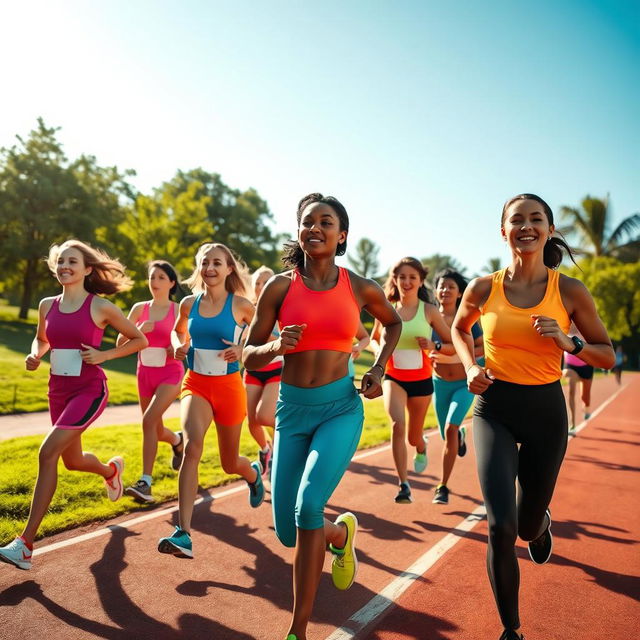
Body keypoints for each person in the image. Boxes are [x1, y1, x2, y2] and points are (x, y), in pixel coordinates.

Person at [451, 194, 615, 640]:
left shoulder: (570, 291)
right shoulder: (483, 287)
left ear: (550, 230)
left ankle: (539, 524)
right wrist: (469, 366)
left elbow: (607, 355)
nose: (526, 226)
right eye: (517, 220)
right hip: (494, 410)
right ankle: (512, 630)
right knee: (500, 526)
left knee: (523, 525)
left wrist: (569, 342)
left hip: (545, 412)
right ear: (503, 231)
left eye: (536, 219)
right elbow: (459, 328)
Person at [243, 193, 401, 640]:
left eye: (325, 222)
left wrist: (377, 367)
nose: (315, 228)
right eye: (307, 222)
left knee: (307, 505)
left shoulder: (359, 286)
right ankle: (337, 536)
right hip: (290, 412)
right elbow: (248, 358)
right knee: (289, 533)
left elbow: (391, 325)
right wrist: (275, 346)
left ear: (341, 235)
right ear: (298, 231)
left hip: (339, 409)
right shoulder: (279, 286)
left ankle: (298, 631)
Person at [0, 239, 148, 570]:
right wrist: (35, 354)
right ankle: (111, 471)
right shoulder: (46, 305)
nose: (65, 266)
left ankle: (25, 544)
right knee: (72, 461)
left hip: (89, 389)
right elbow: (43, 338)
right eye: (61, 261)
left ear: (87, 269)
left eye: (72, 261)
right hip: (58, 390)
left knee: (46, 453)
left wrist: (105, 354)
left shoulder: (100, 307)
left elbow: (141, 339)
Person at [157, 243, 263, 559]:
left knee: (230, 462)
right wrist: (180, 344)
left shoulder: (242, 305)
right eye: (205, 263)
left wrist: (243, 349)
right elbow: (178, 332)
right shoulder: (189, 303)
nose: (210, 268)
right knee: (192, 448)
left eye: (217, 263)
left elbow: (266, 335)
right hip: (196, 384)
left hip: (230, 388)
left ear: (229, 269)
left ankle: (252, 473)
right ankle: (184, 532)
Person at [371, 257, 451, 504]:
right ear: (394, 279)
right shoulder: (386, 308)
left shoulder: (429, 311)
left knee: (413, 437)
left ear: (420, 281)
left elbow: (451, 343)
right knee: (397, 425)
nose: (406, 282)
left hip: (421, 380)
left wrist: (434, 344)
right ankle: (403, 484)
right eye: (402, 277)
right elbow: (374, 338)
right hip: (393, 376)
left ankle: (421, 446)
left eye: (412, 277)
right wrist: (378, 351)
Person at [118, 261, 185, 503]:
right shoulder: (139, 309)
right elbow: (119, 345)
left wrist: (176, 347)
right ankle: (177, 441)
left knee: (148, 421)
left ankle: (145, 482)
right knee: (154, 428)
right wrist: (138, 330)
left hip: (170, 372)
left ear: (171, 283)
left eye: (160, 277)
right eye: (151, 277)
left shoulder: (178, 310)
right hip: (144, 373)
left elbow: (188, 342)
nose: (154, 282)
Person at [430, 268, 484, 505]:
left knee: (450, 429)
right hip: (439, 384)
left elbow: (484, 348)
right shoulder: (429, 318)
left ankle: (442, 486)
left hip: (464, 384)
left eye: (451, 287)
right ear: (435, 291)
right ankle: (459, 435)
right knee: (447, 435)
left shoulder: (468, 319)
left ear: (460, 292)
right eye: (441, 286)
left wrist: (462, 355)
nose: (445, 290)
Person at [244, 266, 280, 476]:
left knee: (265, 415)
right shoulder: (246, 309)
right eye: (257, 282)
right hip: (253, 370)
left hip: (276, 369)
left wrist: (272, 340)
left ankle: (280, 449)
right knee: (252, 422)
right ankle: (265, 450)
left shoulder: (281, 309)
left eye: (265, 282)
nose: (260, 286)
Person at [562, 324, 593, 437]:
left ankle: (587, 408)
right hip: (571, 365)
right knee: (571, 392)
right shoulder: (565, 323)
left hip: (586, 364)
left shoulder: (584, 323)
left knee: (585, 397)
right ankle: (572, 423)